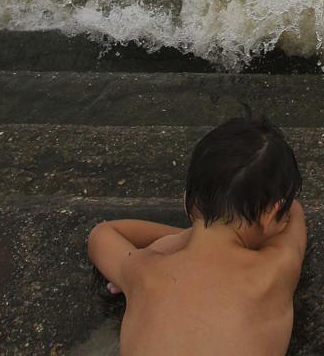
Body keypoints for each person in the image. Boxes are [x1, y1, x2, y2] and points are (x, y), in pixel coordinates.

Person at [88, 115, 307, 356]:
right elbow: (295, 212)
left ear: (185, 201)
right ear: (272, 212)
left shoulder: (145, 272)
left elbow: (103, 234)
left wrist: (184, 239)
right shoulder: (275, 268)